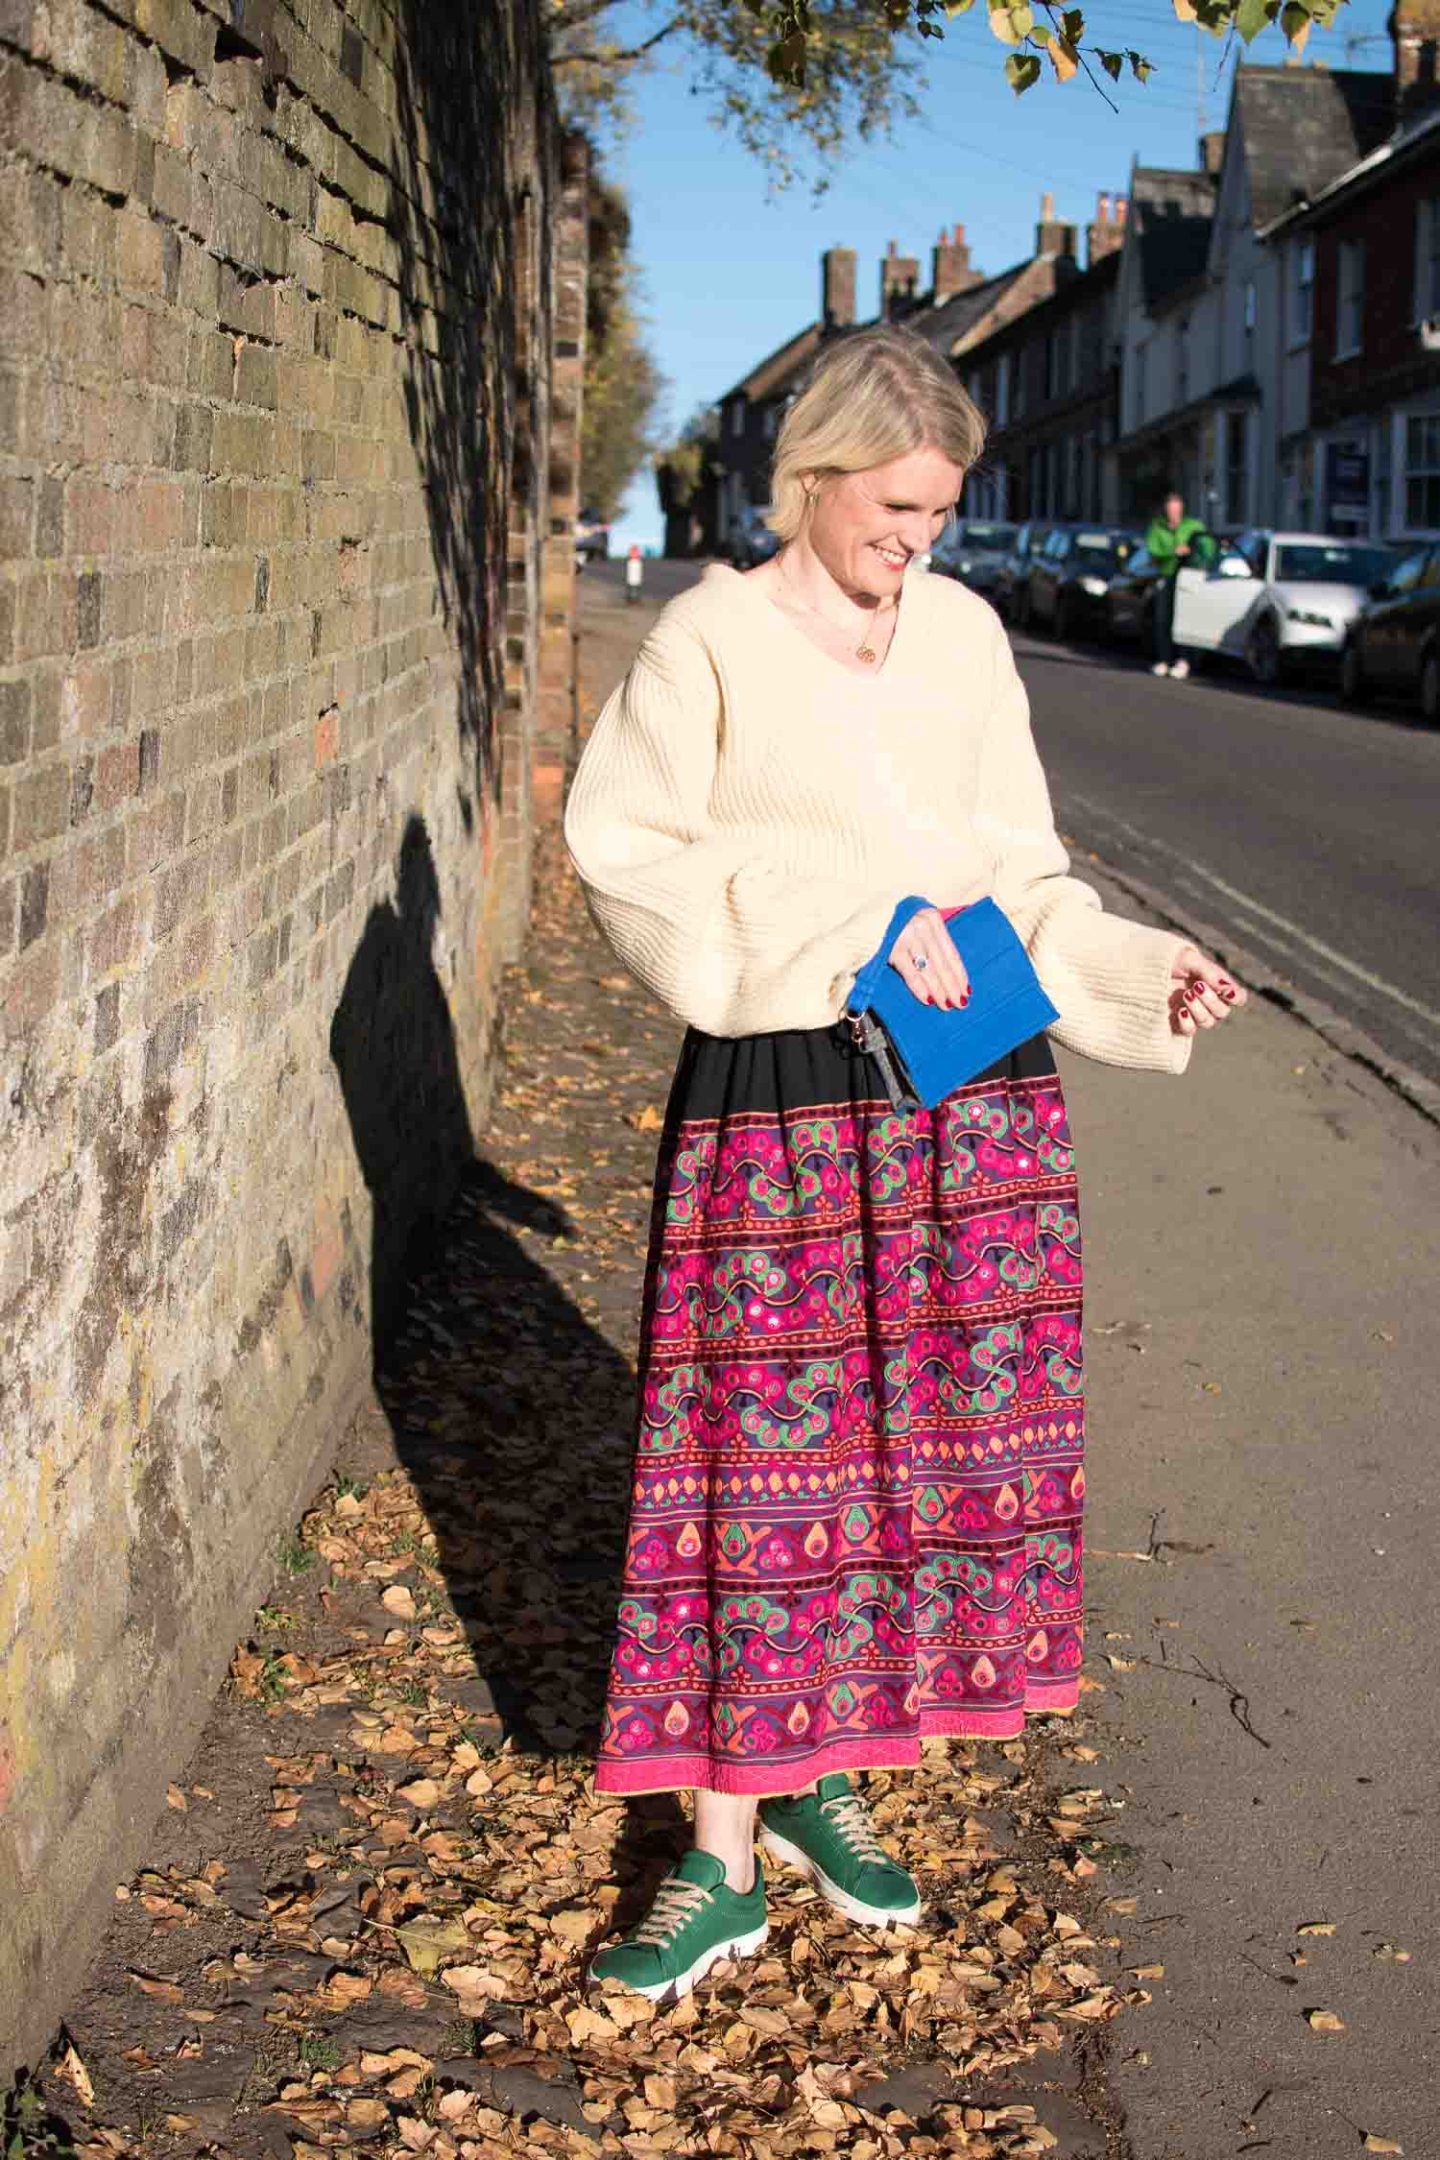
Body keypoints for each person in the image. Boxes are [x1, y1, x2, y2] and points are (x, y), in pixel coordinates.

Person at [563, 325, 1245, 2006]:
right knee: (755, 1464)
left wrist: (1136, 968)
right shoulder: (712, 637)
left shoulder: (960, 638)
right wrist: (850, 925)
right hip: (785, 1099)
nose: (916, 540)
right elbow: (627, 850)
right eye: (893, 507)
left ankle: (831, 1773)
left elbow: (1020, 873)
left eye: (939, 512)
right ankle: (715, 1863)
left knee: (910, 1463)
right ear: (815, 477)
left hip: (977, 1102)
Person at [1143, 488, 1209, 680]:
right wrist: (1173, 551)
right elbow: (1153, 551)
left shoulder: (1193, 526)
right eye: (1170, 510)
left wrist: (1191, 551)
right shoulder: (1157, 527)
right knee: (1163, 619)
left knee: (1185, 618)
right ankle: (1164, 659)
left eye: (1176, 510)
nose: (1173, 514)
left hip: (1188, 578)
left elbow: (1206, 548)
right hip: (1167, 575)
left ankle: (1184, 659)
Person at [624, 541, 644, 606]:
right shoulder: (630, 562)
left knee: (635, 589)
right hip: (631, 580)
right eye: (633, 552)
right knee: (632, 590)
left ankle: (634, 599)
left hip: (636, 580)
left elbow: (639, 572)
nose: (635, 553)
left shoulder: (638, 562)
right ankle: (631, 599)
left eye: (636, 552)